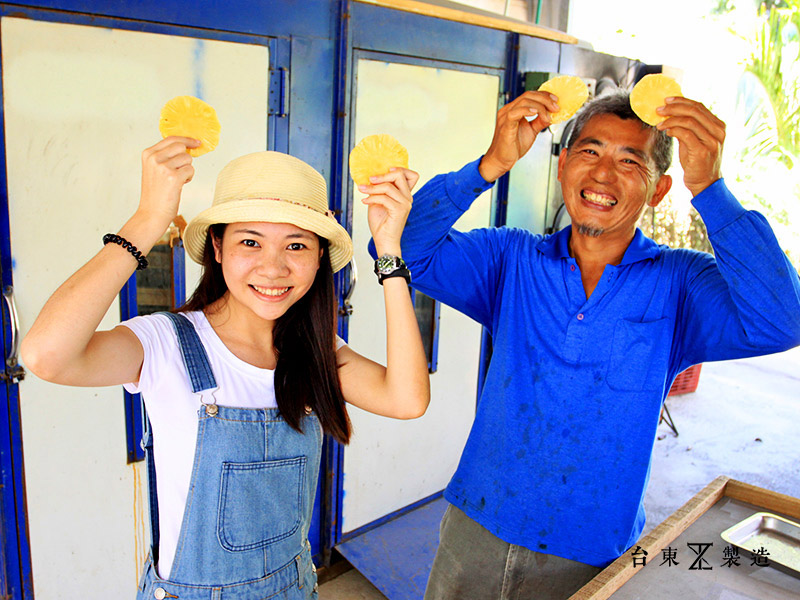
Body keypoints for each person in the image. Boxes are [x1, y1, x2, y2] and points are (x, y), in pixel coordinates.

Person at [362, 89, 800, 599]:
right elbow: (398, 247)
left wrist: (710, 188)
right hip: (476, 524)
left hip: (591, 549)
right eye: (590, 152)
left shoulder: (681, 284)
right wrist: (491, 163)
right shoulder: (511, 259)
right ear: (563, 163)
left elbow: (782, 321)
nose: (602, 174)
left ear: (658, 191)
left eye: (630, 160)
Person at [20, 136, 429, 599]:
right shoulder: (165, 343)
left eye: (296, 245)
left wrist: (389, 253)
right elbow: (44, 356)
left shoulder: (314, 351)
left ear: (319, 259)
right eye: (249, 241)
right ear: (216, 247)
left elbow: (407, 399)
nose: (272, 267)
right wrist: (148, 220)